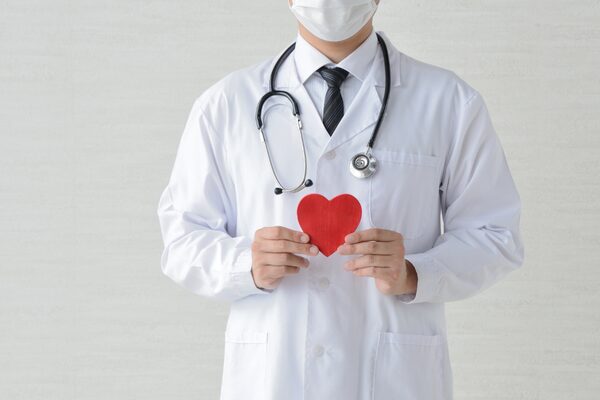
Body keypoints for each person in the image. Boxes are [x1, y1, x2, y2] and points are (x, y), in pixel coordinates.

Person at [156, 0, 525, 399]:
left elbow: (495, 234)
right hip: (274, 377)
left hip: (394, 379)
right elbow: (182, 239)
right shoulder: (226, 104)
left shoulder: (448, 102)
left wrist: (414, 273)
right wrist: (246, 264)